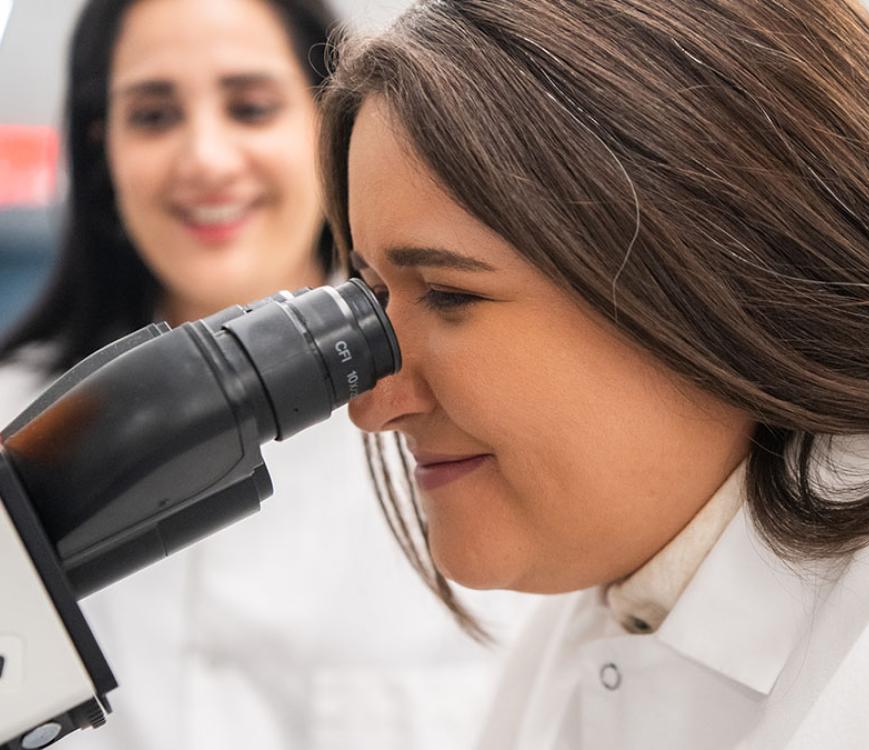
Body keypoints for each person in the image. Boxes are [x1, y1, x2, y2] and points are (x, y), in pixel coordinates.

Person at [317, 0, 869, 747]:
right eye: (375, 295)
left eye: (448, 294)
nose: (373, 404)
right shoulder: (588, 626)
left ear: (718, 265)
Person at [0, 1, 528, 748]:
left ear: (328, 131)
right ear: (103, 148)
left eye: (249, 107)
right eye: (154, 116)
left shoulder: (463, 433)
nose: (206, 160)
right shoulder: (10, 423)